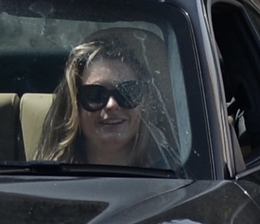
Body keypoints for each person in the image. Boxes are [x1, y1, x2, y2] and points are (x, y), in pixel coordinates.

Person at [34, 32, 179, 169]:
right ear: (74, 106)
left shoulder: (178, 178)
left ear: (144, 104)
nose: (112, 105)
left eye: (127, 92)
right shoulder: (47, 179)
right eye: (95, 94)